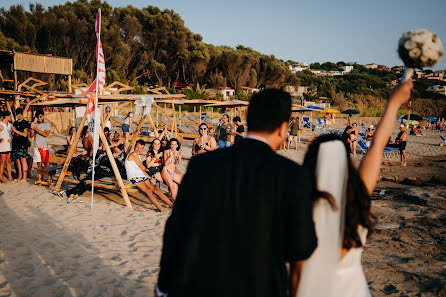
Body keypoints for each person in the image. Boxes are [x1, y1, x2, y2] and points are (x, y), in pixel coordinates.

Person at [156, 89, 316, 297]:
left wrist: (162, 287)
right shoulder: (293, 176)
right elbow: (301, 250)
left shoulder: (201, 165)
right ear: (283, 128)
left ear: (250, 120)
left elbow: (175, 229)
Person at [296, 80, 413, 297]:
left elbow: (297, 276)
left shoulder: (301, 210)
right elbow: (377, 147)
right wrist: (394, 103)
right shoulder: (356, 200)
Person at [125, 140, 172, 212]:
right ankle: (161, 208)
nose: (138, 149)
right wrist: (153, 161)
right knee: (149, 191)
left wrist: (150, 177)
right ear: (134, 146)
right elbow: (143, 168)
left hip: (141, 176)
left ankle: (172, 205)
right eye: (137, 147)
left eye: (141, 148)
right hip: (134, 177)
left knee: (156, 188)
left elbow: (142, 171)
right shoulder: (133, 154)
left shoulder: (138, 156)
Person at [11, 108, 30, 182]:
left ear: (22, 114)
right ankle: (20, 176)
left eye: (20, 114)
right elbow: (13, 134)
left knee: (23, 160)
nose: (19, 116)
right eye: (17, 114)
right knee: (17, 161)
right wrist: (13, 132)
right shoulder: (15, 123)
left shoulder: (25, 123)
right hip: (16, 144)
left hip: (22, 144)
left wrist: (15, 130)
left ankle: (24, 178)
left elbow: (25, 134)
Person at [0, 110, 13, 182]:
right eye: (10, 116)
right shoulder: (0, 124)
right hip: (2, 145)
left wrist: (12, 139)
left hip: (9, 145)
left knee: (8, 161)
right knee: (2, 161)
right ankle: (1, 176)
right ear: (6, 116)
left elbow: (12, 134)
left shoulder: (11, 125)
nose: (11, 117)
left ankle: (9, 175)